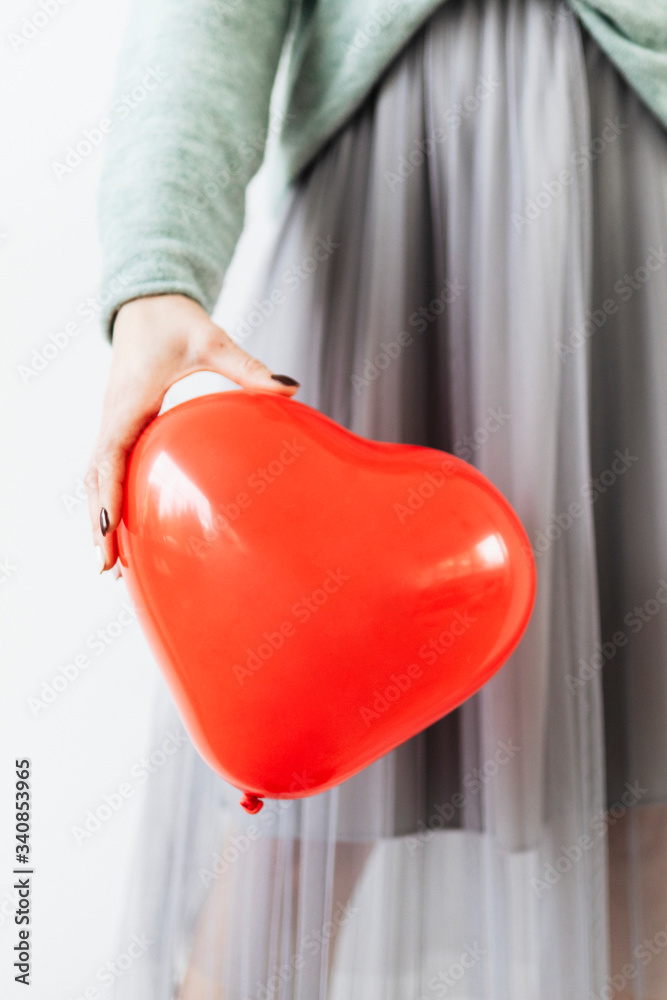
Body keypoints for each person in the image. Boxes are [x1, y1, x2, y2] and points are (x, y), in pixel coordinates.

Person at [87, 0, 667, 996]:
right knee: (300, 785)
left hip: (632, 217)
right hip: (386, 228)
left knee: (647, 782)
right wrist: (155, 272)